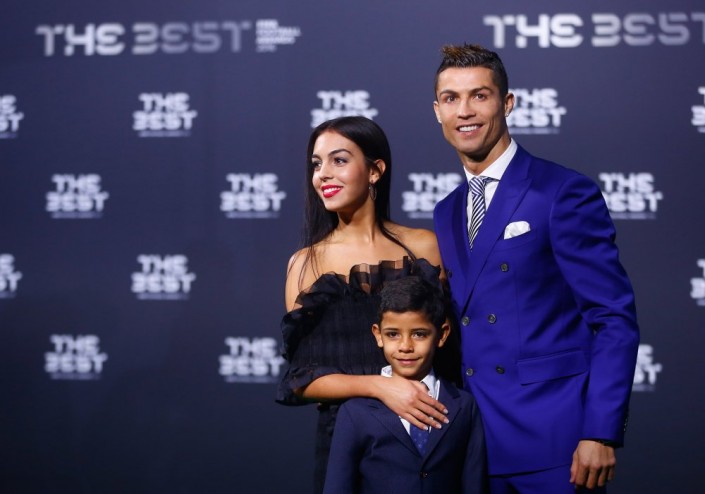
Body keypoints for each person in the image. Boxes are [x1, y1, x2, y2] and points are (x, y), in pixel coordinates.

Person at [431, 44, 640, 493]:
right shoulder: (446, 211)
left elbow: (612, 318)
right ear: (437, 111)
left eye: (479, 95)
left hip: (556, 442)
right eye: (451, 98)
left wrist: (600, 431)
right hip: (472, 442)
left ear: (507, 103)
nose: (464, 111)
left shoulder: (562, 192)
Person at [276, 116, 453, 493]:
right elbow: (300, 380)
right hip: (348, 443)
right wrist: (382, 387)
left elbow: (450, 350)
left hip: (427, 431)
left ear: (375, 171)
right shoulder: (305, 264)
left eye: (339, 160)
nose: (323, 174)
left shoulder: (423, 247)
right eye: (316, 164)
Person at [323, 276, 487, 494]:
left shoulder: (464, 406)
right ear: (378, 335)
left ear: (442, 334)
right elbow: (337, 487)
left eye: (419, 334)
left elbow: (474, 484)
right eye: (393, 334)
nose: (405, 346)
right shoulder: (355, 413)